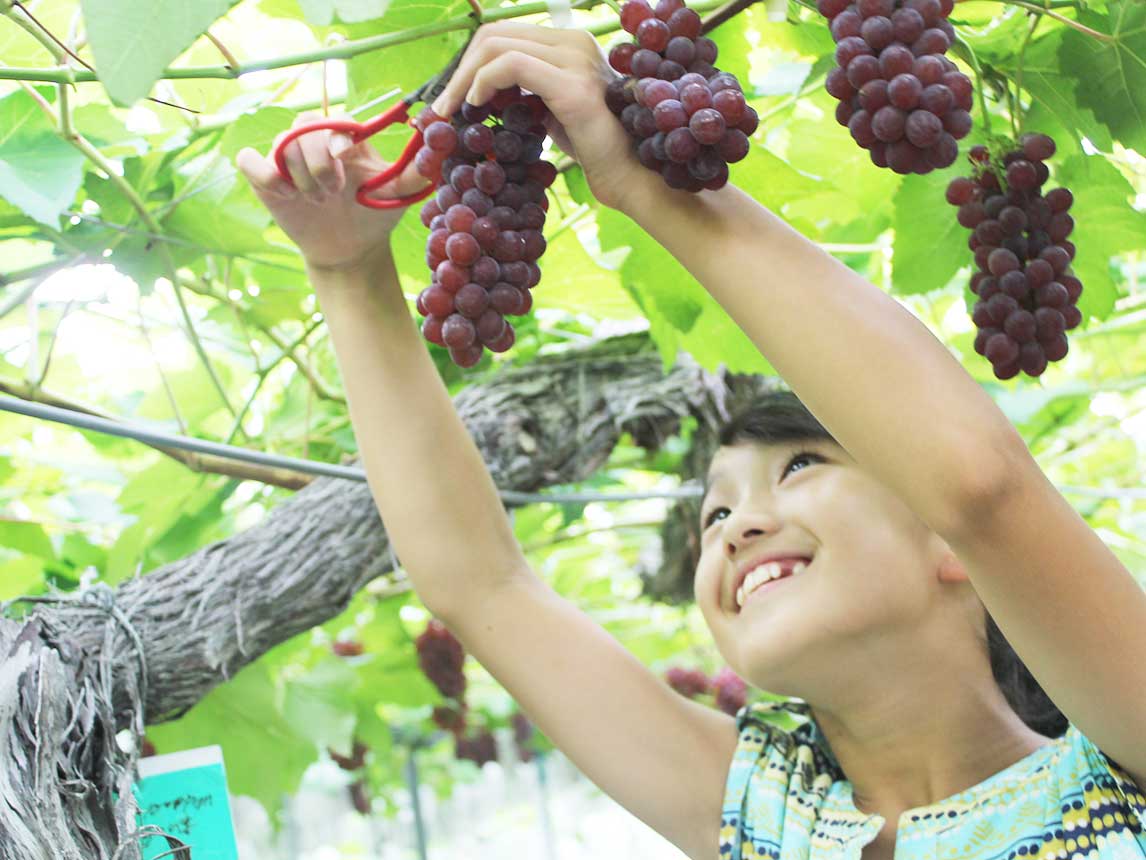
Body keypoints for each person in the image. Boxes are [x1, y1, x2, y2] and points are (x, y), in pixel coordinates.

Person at [236, 20, 1146, 860]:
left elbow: (980, 484)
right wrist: (348, 272)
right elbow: (480, 585)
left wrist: (646, 187)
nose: (733, 529)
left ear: (946, 543)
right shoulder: (761, 814)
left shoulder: (1122, 763)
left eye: (798, 467)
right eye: (713, 513)